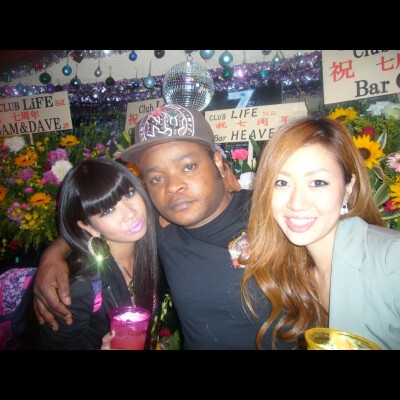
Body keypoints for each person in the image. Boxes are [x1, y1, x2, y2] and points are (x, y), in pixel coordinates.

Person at [33, 104, 294, 350]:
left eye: (188, 167)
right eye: (157, 178)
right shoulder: (160, 230)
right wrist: (52, 258)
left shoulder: (274, 214)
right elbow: (98, 223)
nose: (173, 186)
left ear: (217, 161)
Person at [241, 116, 400, 350]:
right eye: (281, 183)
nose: (297, 203)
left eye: (317, 183)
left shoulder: (391, 260)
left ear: (348, 187)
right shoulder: (294, 274)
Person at [39, 157, 159, 349]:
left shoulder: (157, 244)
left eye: (129, 194)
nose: (130, 213)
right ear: (87, 226)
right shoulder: (82, 286)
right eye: (108, 210)